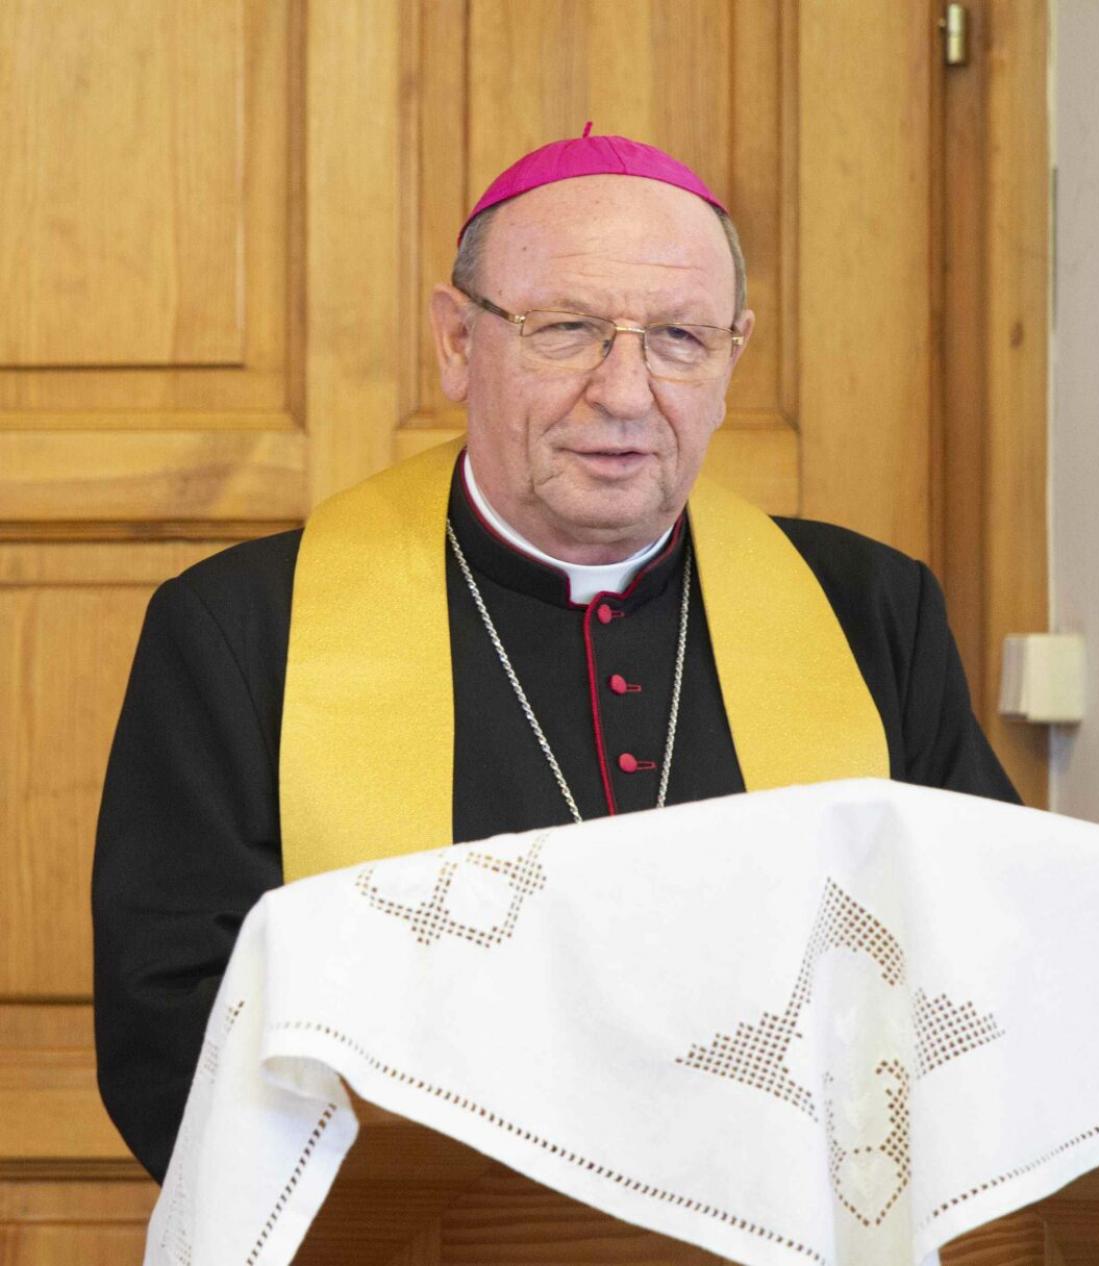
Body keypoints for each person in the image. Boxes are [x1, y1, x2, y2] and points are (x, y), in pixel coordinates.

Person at [92, 129, 1017, 1182]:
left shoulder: (868, 611)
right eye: (568, 330)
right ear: (457, 342)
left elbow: (987, 950)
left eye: (679, 337)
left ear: (732, 358)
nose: (624, 393)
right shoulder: (245, 627)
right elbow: (174, 1018)